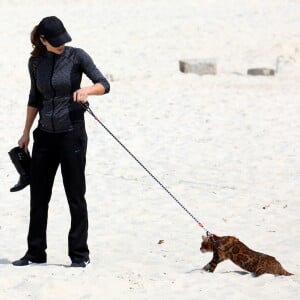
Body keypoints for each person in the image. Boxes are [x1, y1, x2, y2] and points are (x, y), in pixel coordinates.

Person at [13, 16, 110, 267]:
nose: (61, 45)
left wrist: (86, 90)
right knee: (38, 196)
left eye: (63, 40)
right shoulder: (35, 63)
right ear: (43, 40)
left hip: (71, 134)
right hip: (44, 136)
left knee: (75, 195)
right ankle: (35, 252)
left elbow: (104, 84)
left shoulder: (77, 56)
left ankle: (79, 255)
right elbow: (34, 97)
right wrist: (26, 132)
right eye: (55, 42)